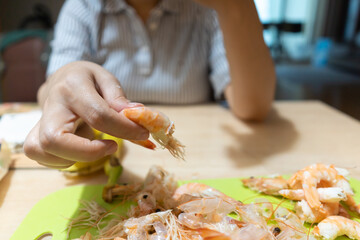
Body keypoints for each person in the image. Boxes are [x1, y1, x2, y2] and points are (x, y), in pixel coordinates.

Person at [24, 0, 276, 169]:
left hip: (206, 161)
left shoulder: (207, 9)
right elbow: (50, 91)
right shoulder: (84, 6)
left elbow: (252, 107)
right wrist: (62, 83)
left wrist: (236, 7)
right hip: (111, 162)